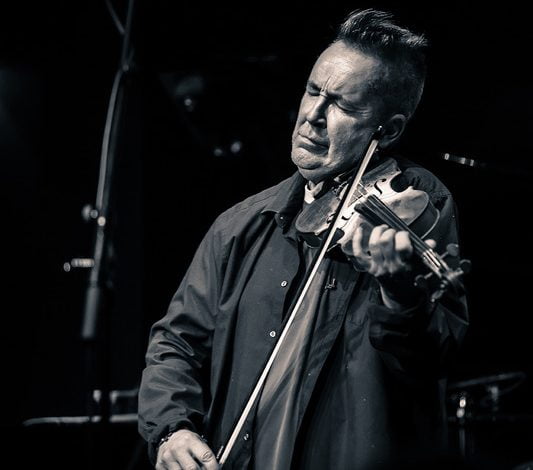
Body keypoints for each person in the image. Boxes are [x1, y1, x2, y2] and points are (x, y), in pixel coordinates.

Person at [138, 8, 469, 470]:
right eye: (313, 91)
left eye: (343, 106)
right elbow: (177, 343)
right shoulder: (240, 225)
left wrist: (400, 294)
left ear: (389, 129)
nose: (313, 115)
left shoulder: (416, 204)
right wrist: (172, 429)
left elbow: (436, 353)